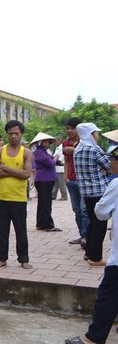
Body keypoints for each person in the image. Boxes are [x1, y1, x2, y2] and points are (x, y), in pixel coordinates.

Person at [64, 144, 118, 344]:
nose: (110, 163)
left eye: (112, 159)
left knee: (108, 293)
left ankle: (93, 339)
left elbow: (101, 212)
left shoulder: (115, 185)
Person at [0, 120, 33, 270]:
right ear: (7, 134)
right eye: (10, 134)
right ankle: (2, 258)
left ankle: (24, 259)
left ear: (21, 134)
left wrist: (5, 168)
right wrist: (15, 172)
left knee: (21, 231)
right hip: (1, 197)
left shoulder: (26, 153)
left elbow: (26, 174)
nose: (14, 136)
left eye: (16, 133)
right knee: (2, 231)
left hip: (18, 198)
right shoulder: (0, 151)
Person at [74, 123, 111, 267]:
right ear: (90, 134)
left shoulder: (78, 149)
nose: (97, 136)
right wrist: (105, 170)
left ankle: (88, 252)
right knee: (100, 224)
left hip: (86, 193)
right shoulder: (94, 150)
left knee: (91, 222)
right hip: (99, 191)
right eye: (96, 133)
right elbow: (110, 165)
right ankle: (95, 257)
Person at [63, 117, 88, 246]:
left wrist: (75, 150)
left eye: (72, 128)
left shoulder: (85, 142)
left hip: (84, 180)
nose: (70, 131)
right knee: (77, 209)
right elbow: (66, 161)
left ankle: (86, 236)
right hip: (71, 179)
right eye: (67, 128)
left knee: (84, 209)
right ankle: (82, 234)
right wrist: (66, 177)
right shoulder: (65, 143)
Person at [30, 132, 60, 231]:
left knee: (43, 202)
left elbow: (52, 161)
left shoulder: (44, 152)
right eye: (46, 141)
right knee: (46, 203)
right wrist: (55, 158)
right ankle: (48, 224)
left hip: (47, 179)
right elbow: (51, 163)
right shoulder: (39, 152)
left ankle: (41, 223)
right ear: (41, 142)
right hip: (44, 179)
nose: (48, 143)